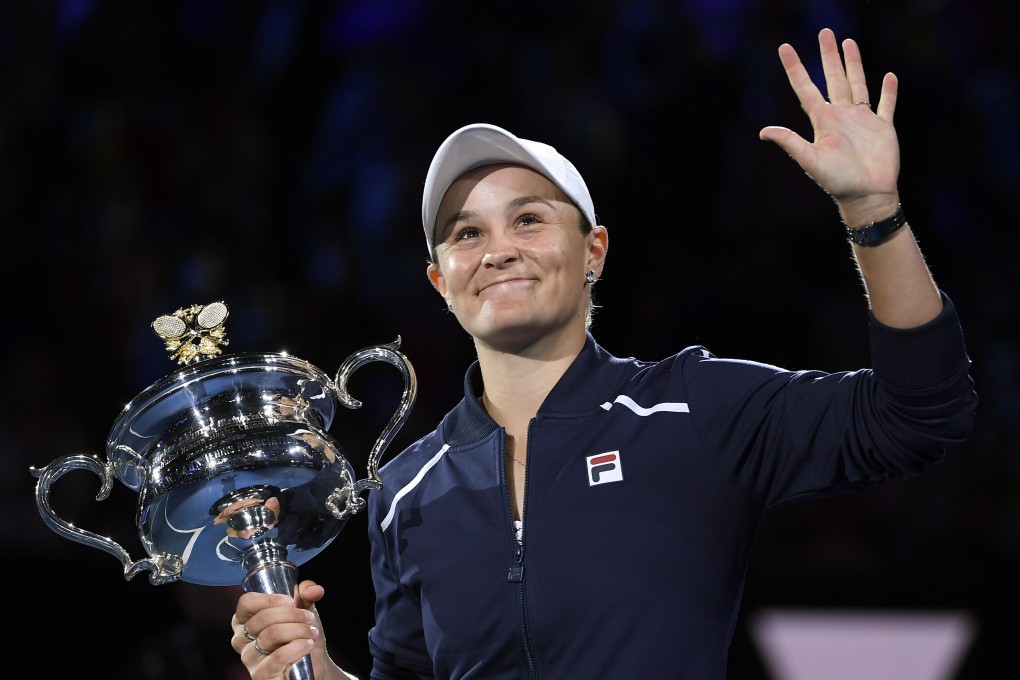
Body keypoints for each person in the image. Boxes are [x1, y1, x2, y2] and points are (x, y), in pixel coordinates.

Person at [229, 28, 977, 679]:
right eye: (466, 233)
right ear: (441, 283)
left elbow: (918, 412)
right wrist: (321, 670)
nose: (497, 250)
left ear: (594, 252)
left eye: (528, 219)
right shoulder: (405, 489)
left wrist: (872, 211)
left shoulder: (691, 409)